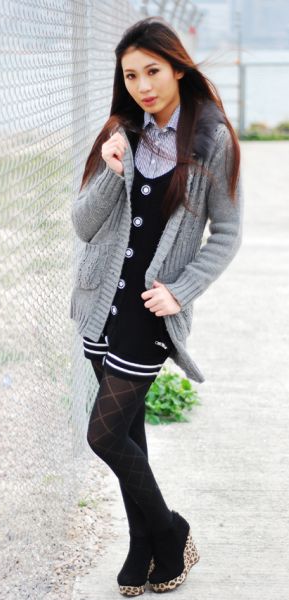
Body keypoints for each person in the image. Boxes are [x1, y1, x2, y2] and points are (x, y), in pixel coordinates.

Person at [70, 16, 243, 596]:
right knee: (129, 433)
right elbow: (83, 225)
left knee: (103, 436)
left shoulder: (211, 139)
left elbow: (227, 233)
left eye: (153, 71)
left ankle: (170, 532)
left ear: (177, 69)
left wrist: (182, 289)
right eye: (131, 75)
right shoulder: (121, 132)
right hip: (102, 304)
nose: (143, 85)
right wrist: (110, 169)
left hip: (149, 315)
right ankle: (142, 544)